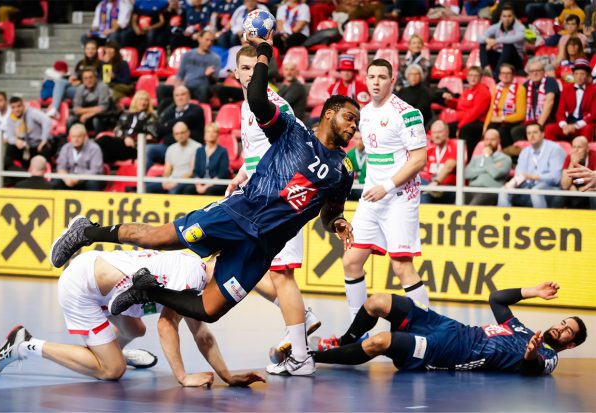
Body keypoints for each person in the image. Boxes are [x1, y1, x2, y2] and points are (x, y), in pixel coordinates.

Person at [49, 36, 357, 376]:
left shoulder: (343, 173)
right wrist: (266, 51)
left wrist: (338, 222)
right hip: (237, 214)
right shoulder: (294, 132)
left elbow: (330, 213)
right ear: (329, 113)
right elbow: (257, 97)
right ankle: (86, 231)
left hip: (261, 248)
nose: (354, 125)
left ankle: (147, 289)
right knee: (157, 238)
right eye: (349, 117)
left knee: (208, 310)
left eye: (357, 122)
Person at [0, 248, 265, 387]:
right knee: (113, 371)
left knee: (136, 330)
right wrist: (183, 377)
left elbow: (201, 334)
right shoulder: (193, 278)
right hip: (82, 288)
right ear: (220, 265)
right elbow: (166, 325)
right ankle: (25, 344)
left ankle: (109, 349)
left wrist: (227, 376)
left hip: (101, 279)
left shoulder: (199, 274)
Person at [225, 45, 322, 375]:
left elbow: (298, 146)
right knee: (241, 264)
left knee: (281, 275)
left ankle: (301, 356)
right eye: (244, 67)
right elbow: (257, 150)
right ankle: (301, 318)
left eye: (256, 67)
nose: (250, 73)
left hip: (278, 199)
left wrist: (284, 195)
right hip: (255, 196)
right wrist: (242, 174)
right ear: (235, 73)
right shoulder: (245, 104)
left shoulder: (275, 104)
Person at [311, 281, 587, 375]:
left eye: (568, 332)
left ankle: (310, 358)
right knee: (377, 302)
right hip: (448, 326)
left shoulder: (550, 357)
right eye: (563, 323)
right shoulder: (521, 329)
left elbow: (531, 369)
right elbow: (496, 299)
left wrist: (530, 353)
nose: (561, 329)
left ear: (570, 344)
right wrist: (533, 291)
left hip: (451, 352)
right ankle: (342, 341)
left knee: (380, 342)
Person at [342, 58, 429, 339]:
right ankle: (357, 333)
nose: (376, 81)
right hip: (372, 197)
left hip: (400, 198)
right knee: (351, 261)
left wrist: (388, 186)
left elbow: (419, 159)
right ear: (365, 80)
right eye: (372, 77)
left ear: (392, 81)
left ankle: (427, 332)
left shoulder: (407, 113)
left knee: (401, 266)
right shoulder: (364, 114)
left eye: (382, 77)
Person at [498, 123, 566, 208]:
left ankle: (541, 220)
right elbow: (519, 174)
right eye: (529, 133)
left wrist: (534, 177)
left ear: (542, 134)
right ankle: (507, 219)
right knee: (503, 191)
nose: (531, 136)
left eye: (535, 132)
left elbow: (556, 177)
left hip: (549, 186)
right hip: (527, 186)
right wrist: (512, 183)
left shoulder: (555, 149)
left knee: (536, 191)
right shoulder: (525, 151)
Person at [443, 66, 491, 158]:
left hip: (477, 123)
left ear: (480, 78)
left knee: (465, 130)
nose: (473, 78)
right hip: (464, 122)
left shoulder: (483, 91)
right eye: (470, 75)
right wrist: (450, 100)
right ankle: (448, 158)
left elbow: (475, 113)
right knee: (446, 128)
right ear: (467, 77)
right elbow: (459, 106)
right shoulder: (467, 90)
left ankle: (465, 159)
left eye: (476, 76)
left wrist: (460, 126)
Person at [99, 90, 159, 164]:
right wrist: (125, 138)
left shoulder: (151, 117)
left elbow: (152, 136)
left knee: (104, 140)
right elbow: (117, 130)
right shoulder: (126, 114)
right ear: (135, 101)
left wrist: (133, 140)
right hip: (122, 142)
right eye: (140, 99)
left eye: (146, 100)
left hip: (136, 146)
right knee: (104, 152)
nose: (143, 102)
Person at [47, 40, 102, 119]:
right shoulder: (80, 63)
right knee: (60, 83)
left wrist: (80, 83)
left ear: (97, 50)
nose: (90, 51)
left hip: (91, 91)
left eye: (93, 48)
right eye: (88, 48)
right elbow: (75, 75)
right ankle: (55, 110)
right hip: (78, 89)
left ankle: (56, 110)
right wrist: (72, 79)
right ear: (85, 50)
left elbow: (100, 81)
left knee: (61, 91)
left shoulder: (101, 64)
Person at [545, 59, 596, 142]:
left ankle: (586, 153)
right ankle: (553, 152)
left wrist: (575, 126)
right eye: (576, 74)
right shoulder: (566, 89)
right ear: (573, 75)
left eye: (582, 74)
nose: (579, 77)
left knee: (588, 129)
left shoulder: (594, 90)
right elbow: (560, 113)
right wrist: (564, 126)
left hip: (584, 124)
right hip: (568, 124)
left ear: (587, 76)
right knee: (549, 129)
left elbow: (594, 115)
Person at [510, 59, 560, 143]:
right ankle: (525, 152)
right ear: (529, 74)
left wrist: (539, 125)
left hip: (549, 120)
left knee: (544, 130)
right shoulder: (526, 85)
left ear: (544, 72)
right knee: (515, 131)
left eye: (538, 70)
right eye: (532, 71)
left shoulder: (550, 81)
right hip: (531, 120)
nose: (535, 73)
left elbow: (549, 102)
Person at [147, 121, 201, 194]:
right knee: (148, 187)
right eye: (177, 134)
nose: (180, 136)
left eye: (182, 132)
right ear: (173, 135)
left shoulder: (197, 147)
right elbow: (167, 170)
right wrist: (165, 181)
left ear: (188, 132)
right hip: (173, 179)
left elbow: (191, 172)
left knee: (174, 190)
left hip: (188, 180)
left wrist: (176, 182)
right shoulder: (171, 148)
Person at [483, 64, 526, 151]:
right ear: (499, 76)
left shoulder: (520, 89)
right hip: (497, 120)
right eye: (503, 73)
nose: (505, 76)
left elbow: (521, 115)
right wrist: (485, 126)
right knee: (490, 131)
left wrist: (502, 118)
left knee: (502, 131)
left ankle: (507, 156)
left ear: (513, 75)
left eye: (508, 73)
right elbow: (491, 109)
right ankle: (489, 155)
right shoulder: (497, 88)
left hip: (512, 120)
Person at [464, 128, 512, 205]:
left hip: (490, 191)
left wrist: (487, 157)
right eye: (486, 139)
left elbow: (495, 174)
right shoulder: (477, 158)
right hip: (471, 189)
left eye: (492, 139)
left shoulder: (505, 158)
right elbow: (466, 174)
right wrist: (487, 169)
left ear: (499, 140)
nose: (489, 142)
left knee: (472, 207)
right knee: (454, 205)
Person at [4, 96, 52, 169]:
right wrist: (16, 141)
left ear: (23, 105)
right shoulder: (10, 119)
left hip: (37, 144)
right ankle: (16, 173)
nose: (16, 110)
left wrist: (44, 140)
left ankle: (46, 172)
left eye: (18, 106)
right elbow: (10, 137)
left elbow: (47, 121)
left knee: (45, 149)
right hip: (24, 145)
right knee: (10, 148)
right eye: (13, 107)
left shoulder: (31, 112)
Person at [479, 4, 525, 79]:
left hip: (515, 59)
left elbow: (516, 38)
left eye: (509, 16)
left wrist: (496, 41)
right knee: (482, 44)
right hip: (500, 56)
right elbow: (480, 37)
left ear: (513, 17)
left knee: (508, 45)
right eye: (504, 16)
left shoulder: (520, 27)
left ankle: (497, 74)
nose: (507, 19)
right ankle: (486, 69)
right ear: (501, 17)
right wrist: (487, 40)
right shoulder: (497, 26)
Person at [173, 30, 221, 103]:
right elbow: (179, 76)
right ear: (199, 39)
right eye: (207, 40)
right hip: (187, 87)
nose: (209, 43)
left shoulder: (215, 59)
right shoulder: (188, 55)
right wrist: (177, 89)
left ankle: (201, 112)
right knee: (162, 89)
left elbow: (215, 82)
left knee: (203, 89)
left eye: (211, 41)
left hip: (202, 88)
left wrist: (209, 76)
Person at [54, 124, 105, 191]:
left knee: (93, 182)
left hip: (86, 178)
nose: (75, 139)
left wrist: (78, 178)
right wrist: (66, 179)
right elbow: (61, 168)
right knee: (56, 181)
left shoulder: (94, 148)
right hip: (70, 178)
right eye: (73, 137)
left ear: (85, 136)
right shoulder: (65, 148)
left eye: (78, 137)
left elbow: (95, 170)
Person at [183, 123, 230, 196]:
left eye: (214, 132)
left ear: (217, 135)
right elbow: (195, 172)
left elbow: (222, 174)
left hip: (217, 183)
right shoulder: (199, 150)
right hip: (201, 182)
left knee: (210, 191)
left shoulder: (223, 151)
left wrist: (205, 187)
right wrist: (198, 185)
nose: (211, 134)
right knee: (188, 189)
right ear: (205, 135)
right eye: (208, 131)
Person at [550, 136, 596, 209]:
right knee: (559, 196)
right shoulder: (569, 157)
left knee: (594, 196)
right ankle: (552, 218)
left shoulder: (594, 156)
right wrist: (572, 163)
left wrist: (584, 189)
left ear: (587, 149)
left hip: (589, 189)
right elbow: (564, 185)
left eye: (579, 147)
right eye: (574, 147)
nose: (575, 150)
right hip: (574, 188)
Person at [420, 120, 458, 204]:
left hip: (448, 188)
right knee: (419, 185)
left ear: (447, 132)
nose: (436, 135)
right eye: (434, 132)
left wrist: (436, 182)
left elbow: (449, 167)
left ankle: (424, 216)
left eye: (439, 132)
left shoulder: (455, 145)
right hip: (430, 185)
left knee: (424, 191)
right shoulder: (430, 149)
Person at [67, 68, 113, 134]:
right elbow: (76, 109)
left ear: (95, 78)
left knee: (96, 121)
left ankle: (98, 141)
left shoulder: (103, 87)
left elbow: (103, 108)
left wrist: (88, 114)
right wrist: (88, 113)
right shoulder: (80, 88)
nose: (88, 80)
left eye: (91, 77)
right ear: (82, 80)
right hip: (84, 117)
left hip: (102, 116)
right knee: (70, 120)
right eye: (85, 78)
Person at [346, 131, 366, 200]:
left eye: (361, 139)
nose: (359, 142)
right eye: (356, 139)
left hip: (366, 188)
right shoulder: (350, 154)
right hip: (353, 188)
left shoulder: (371, 154)